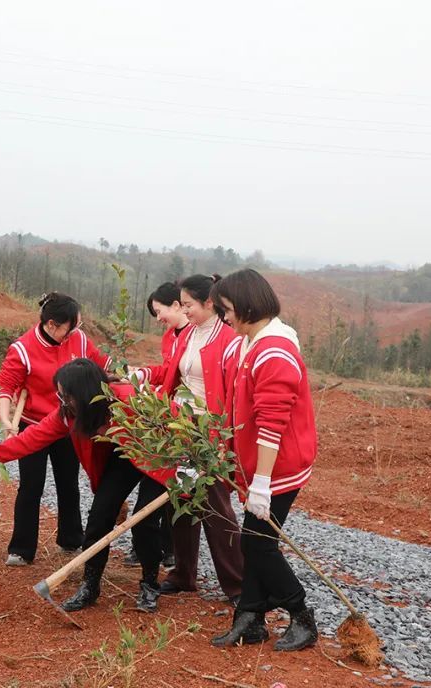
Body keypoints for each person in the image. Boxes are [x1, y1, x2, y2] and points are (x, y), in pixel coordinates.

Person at [0, 358, 175, 612]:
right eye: (60, 394)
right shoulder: (68, 414)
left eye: (66, 395)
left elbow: (172, 417)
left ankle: (149, 585)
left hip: (157, 457)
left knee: (144, 523)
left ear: (85, 393)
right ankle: (90, 586)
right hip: (121, 458)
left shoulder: (128, 401)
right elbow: (29, 440)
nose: (61, 400)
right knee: (99, 517)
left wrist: (190, 461)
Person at [209, 269, 318, 651]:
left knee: (258, 545)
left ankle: (302, 614)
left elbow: (272, 425)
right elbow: (239, 412)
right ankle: (250, 618)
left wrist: (261, 483)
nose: (223, 318)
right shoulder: (250, 343)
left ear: (244, 305)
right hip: (259, 467)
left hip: (280, 467)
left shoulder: (274, 351)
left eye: (225, 310)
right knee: (254, 540)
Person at [134, 274, 244, 604]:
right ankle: (184, 573)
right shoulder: (188, 335)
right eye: (181, 305)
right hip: (179, 425)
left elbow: (232, 393)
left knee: (215, 506)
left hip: (208, 431)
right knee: (180, 500)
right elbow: (173, 373)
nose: (184, 310)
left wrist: (222, 440)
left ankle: (238, 583)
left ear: (209, 303)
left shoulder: (228, 339)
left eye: (188, 304)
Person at [0, 292, 111, 566]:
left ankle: (71, 538)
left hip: (70, 423)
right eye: (71, 327)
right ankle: (21, 549)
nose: (76, 333)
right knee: (31, 486)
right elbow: (5, 385)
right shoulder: (22, 348)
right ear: (52, 325)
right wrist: (5, 418)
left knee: (68, 482)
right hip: (35, 425)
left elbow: (101, 366)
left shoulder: (78, 340)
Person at [123, 282, 189, 569]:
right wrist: (145, 375)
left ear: (177, 304)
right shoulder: (169, 337)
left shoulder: (195, 336)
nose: (158, 318)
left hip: (187, 419)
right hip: (165, 415)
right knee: (158, 477)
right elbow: (166, 372)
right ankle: (148, 544)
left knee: (177, 485)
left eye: (159, 311)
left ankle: (171, 547)